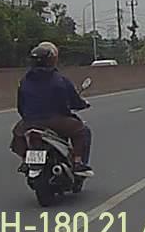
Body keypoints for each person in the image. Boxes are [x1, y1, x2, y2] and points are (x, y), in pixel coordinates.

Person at [10, 41, 93, 176]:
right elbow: (73, 101)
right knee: (82, 131)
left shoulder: (24, 81)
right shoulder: (60, 80)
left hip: (30, 122)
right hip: (57, 122)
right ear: (52, 60)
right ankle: (78, 162)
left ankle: (25, 160)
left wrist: (28, 118)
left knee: (17, 133)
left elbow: (21, 106)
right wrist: (82, 104)